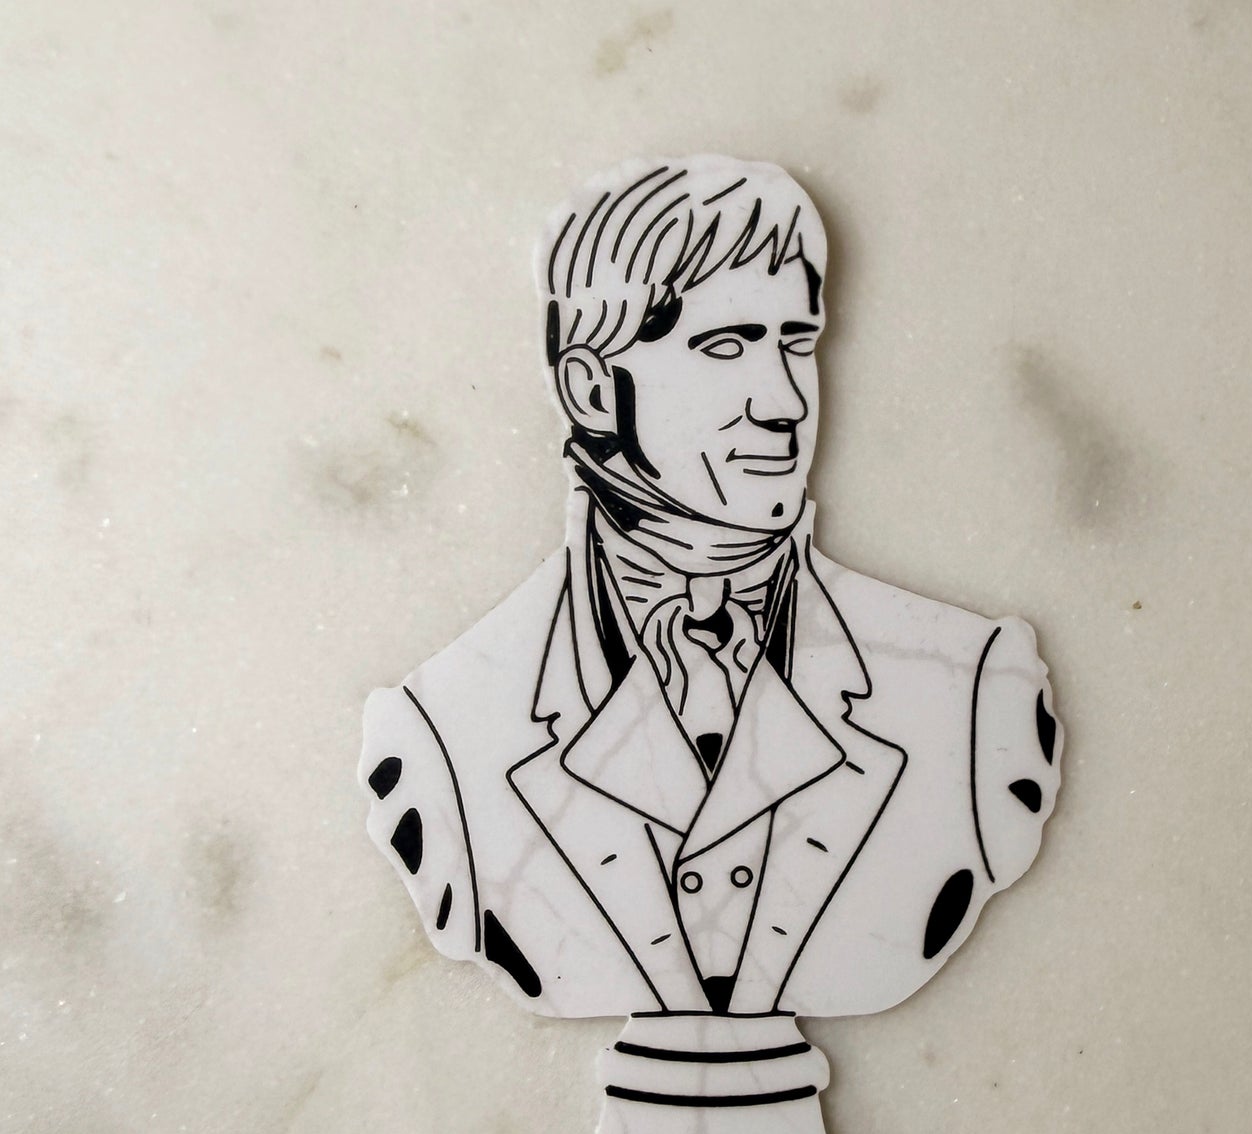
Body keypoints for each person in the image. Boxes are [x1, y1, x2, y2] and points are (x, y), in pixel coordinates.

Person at [359, 154, 1061, 1022]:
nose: (783, 402)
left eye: (795, 343)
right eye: (723, 347)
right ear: (590, 389)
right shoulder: (437, 736)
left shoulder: (977, 695)